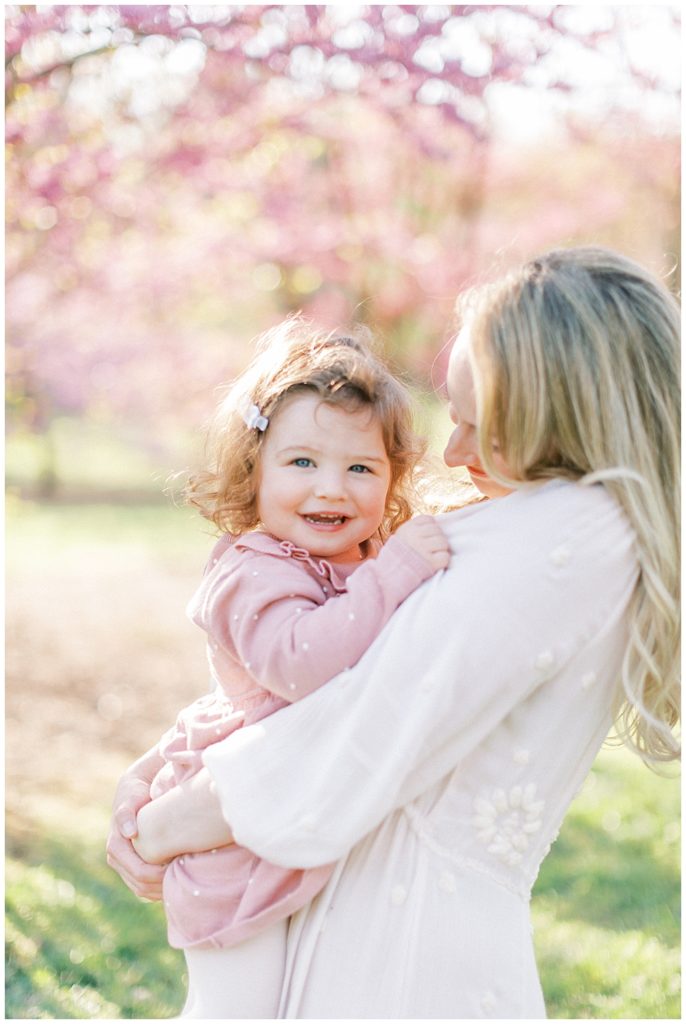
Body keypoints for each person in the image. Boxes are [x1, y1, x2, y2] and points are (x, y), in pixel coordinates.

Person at [108, 246, 680, 1019]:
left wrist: (164, 823)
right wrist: (159, 770)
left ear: (565, 418)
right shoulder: (541, 524)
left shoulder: (569, 534)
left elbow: (349, 733)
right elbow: (309, 681)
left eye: (484, 428)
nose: (452, 454)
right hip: (362, 915)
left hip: (408, 961)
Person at [111, 317, 451, 1018]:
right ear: (252, 469)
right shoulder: (250, 572)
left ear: (392, 480)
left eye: (361, 468)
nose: (332, 488)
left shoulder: (354, 559)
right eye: (302, 463)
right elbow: (299, 665)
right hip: (230, 857)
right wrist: (396, 574)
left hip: (303, 822)